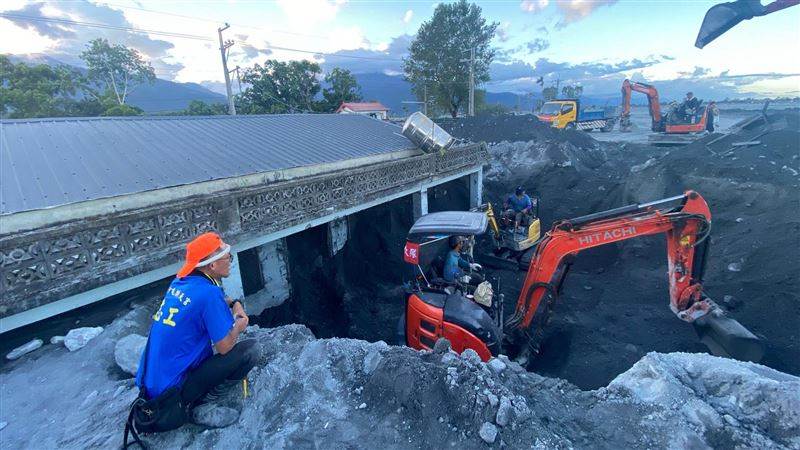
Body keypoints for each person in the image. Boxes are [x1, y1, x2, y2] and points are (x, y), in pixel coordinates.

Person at [135, 232, 259, 428]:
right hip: (173, 394)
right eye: (227, 257)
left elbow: (213, 299)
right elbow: (224, 347)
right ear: (212, 265)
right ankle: (200, 405)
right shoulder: (208, 294)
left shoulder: (181, 282)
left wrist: (233, 303)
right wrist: (239, 326)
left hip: (153, 386)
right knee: (251, 351)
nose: (230, 260)